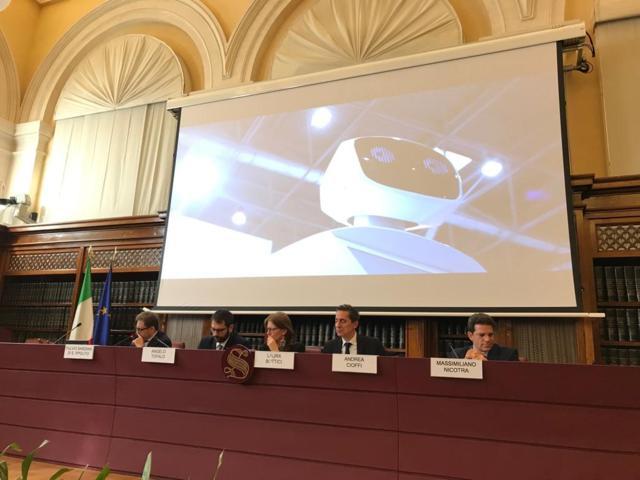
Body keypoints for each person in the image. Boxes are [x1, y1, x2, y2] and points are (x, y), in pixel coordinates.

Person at [449, 313, 519, 361]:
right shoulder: (457, 355)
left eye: (490, 335)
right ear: (470, 336)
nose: (487, 339)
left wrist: (486, 365)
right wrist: (465, 366)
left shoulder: (509, 355)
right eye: (481, 335)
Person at [321, 304, 386, 355]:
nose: (338, 325)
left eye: (342, 321)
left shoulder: (373, 345)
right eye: (336, 321)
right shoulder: (329, 347)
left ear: (355, 324)